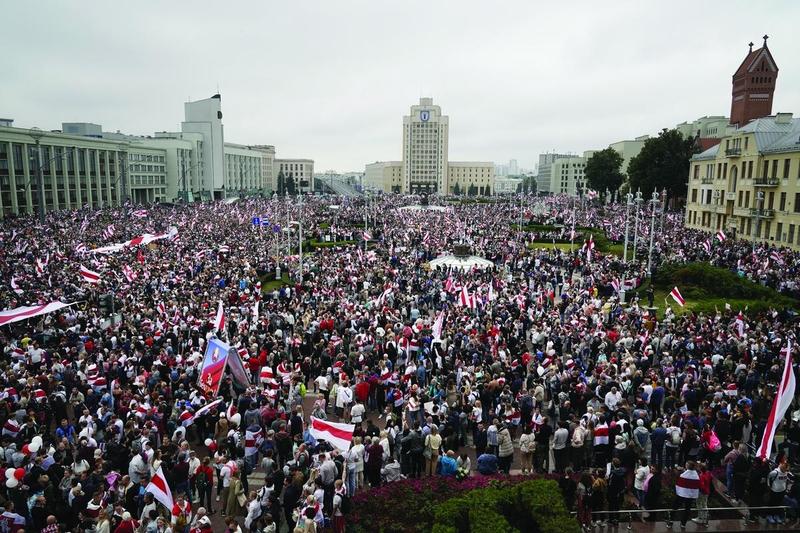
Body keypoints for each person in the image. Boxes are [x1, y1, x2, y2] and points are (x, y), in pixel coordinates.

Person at [668, 461, 699, 530]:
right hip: (690, 496)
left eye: (686, 465)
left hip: (681, 494)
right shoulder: (696, 475)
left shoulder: (683, 475)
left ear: (687, 466)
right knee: (687, 509)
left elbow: (678, 482)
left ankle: (670, 521)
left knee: (675, 507)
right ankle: (683, 524)